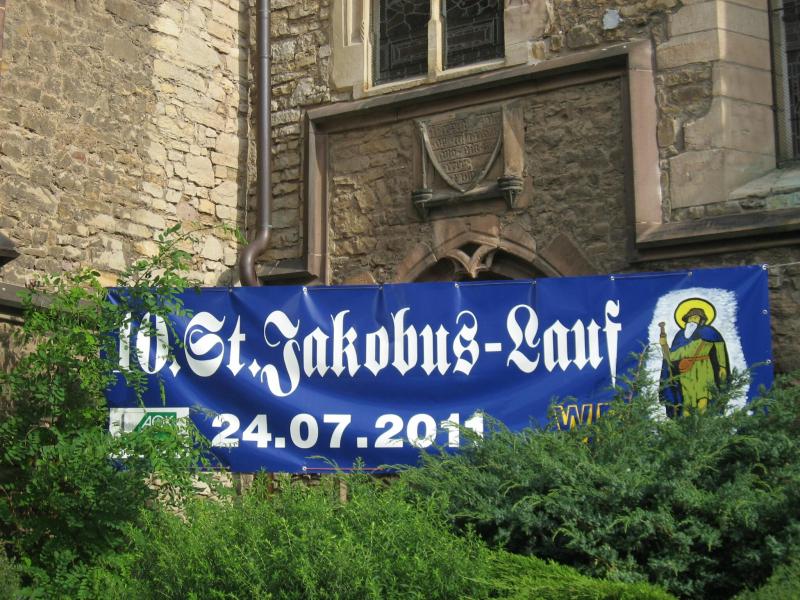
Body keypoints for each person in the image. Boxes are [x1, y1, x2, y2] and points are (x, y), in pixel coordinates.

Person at [659, 298, 730, 417]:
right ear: (686, 320)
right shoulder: (680, 335)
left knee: (703, 397)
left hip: (704, 368)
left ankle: (703, 424)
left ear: (701, 320)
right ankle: (687, 425)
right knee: (687, 401)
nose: (692, 320)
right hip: (686, 371)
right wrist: (664, 345)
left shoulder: (709, 332)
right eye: (690, 318)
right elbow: (672, 356)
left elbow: (719, 347)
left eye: (696, 318)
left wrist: (722, 366)